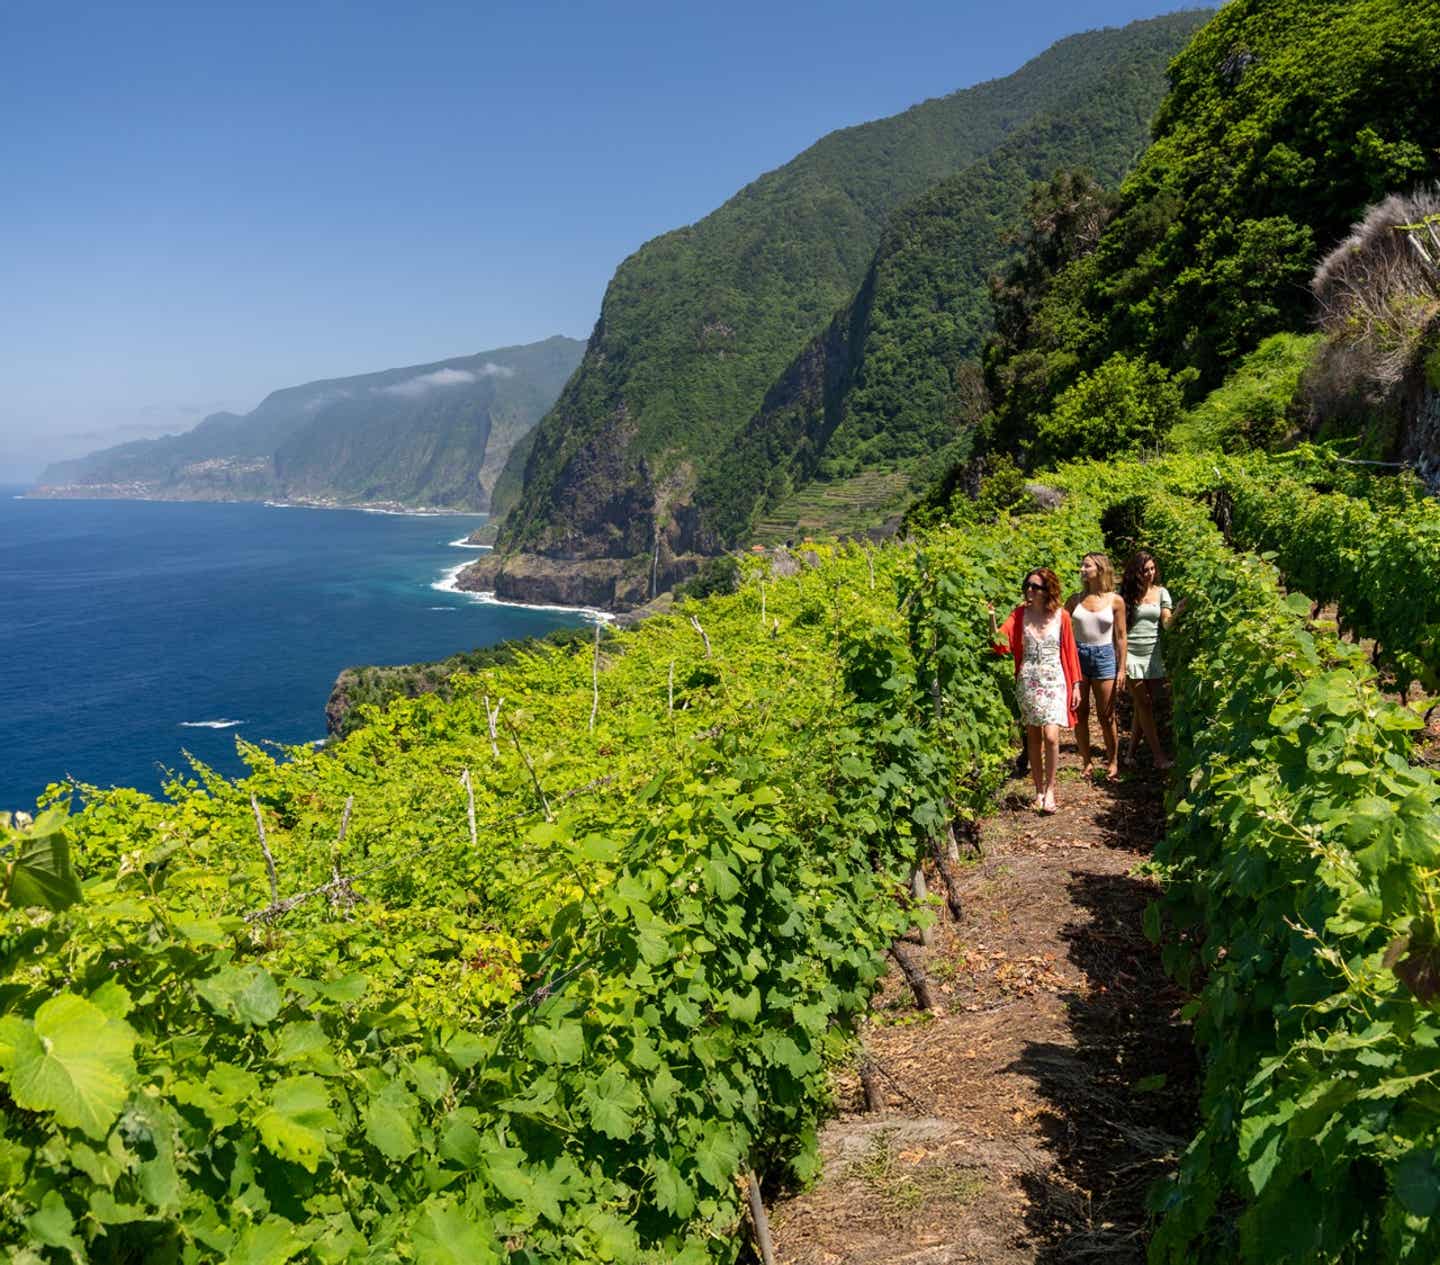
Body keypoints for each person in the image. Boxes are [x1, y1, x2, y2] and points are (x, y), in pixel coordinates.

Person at [989, 568, 1082, 814]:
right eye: (1028, 585)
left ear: (1047, 589)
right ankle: (1038, 790)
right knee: (1033, 735)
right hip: (1029, 679)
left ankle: (1051, 790)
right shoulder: (1019, 614)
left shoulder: (1061, 616)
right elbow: (1000, 643)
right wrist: (990, 618)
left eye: (1036, 587)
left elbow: (1070, 651)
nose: (1030, 590)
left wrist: (1076, 685)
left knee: (1051, 736)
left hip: (1055, 678)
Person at [1065, 552, 1127, 780]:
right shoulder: (1075, 600)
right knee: (1080, 712)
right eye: (1082, 565)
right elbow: (1061, 627)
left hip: (1104, 656)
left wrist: (1122, 668)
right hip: (1079, 655)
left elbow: (1121, 636)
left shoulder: (1115, 601)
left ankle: (1112, 761)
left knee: (1106, 714)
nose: (1082, 569)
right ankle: (1086, 761)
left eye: (1087, 566)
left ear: (1099, 569)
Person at [1120, 550, 1178, 770]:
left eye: (1152, 569)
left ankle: (1130, 754)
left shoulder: (1161, 593)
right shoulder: (1125, 595)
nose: (1150, 574)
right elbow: (1120, 629)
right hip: (1131, 653)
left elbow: (1166, 624)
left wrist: (1178, 612)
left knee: (1143, 706)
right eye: (1145, 570)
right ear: (1136, 572)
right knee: (1144, 703)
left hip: (1152, 653)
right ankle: (1159, 756)